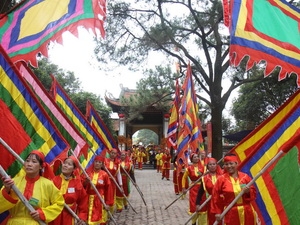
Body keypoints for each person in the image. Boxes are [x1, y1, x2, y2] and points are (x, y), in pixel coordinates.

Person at [0, 150, 65, 224]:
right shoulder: (13, 182)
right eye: (27, 161)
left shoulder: (48, 184)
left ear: (41, 166)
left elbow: (59, 203)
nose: (29, 164)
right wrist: (7, 190)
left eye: (34, 162)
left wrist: (42, 214)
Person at [210, 153, 257, 225]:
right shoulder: (221, 179)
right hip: (230, 212)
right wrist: (217, 212)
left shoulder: (245, 177)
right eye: (226, 164)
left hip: (247, 211)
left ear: (236, 163)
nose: (229, 166)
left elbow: (253, 193)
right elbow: (215, 197)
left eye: (231, 164)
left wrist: (248, 192)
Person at [49, 156, 88, 225]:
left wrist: (82, 216)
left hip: (69, 215)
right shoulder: (54, 181)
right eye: (65, 163)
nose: (65, 165)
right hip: (53, 215)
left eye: (69, 164)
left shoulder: (77, 184)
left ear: (74, 168)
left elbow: (83, 201)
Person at [82, 155, 113, 225]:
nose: (97, 163)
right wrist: (86, 182)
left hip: (99, 199)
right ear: (94, 162)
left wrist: (108, 203)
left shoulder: (104, 175)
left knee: (99, 217)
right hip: (88, 199)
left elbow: (108, 189)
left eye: (99, 162)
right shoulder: (88, 173)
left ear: (102, 164)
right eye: (96, 162)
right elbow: (82, 185)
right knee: (88, 218)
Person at [195, 157, 223, 225]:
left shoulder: (222, 177)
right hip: (210, 203)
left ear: (216, 165)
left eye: (214, 164)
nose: (212, 166)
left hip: (221, 202)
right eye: (210, 164)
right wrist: (197, 204)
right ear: (207, 166)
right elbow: (200, 192)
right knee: (211, 220)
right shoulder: (204, 178)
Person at [182, 152, 205, 225]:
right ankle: (193, 222)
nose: (196, 158)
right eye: (194, 157)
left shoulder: (203, 167)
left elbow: (206, 176)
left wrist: (203, 176)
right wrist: (183, 188)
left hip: (202, 187)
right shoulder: (189, 168)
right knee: (194, 204)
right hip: (193, 188)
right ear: (192, 159)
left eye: (197, 157)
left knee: (202, 204)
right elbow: (184, 178)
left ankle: (202, 221)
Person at [104, 148, 123, 215]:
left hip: (112, 183)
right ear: (109, 153)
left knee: (111, 197)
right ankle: (104, 214)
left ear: (116, 155)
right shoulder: (105, 161)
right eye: (112, 153)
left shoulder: (117, 163)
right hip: (104, 182)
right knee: (104, 196)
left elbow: (119, 174)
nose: (113, 154)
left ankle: (110, 213)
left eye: (114, 153)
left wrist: (121, 185)